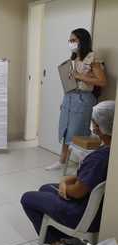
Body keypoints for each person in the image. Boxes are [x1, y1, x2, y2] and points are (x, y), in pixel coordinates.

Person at [21, 100, 115, 245]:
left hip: (80, 215)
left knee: (27, 198)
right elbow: (85, 177)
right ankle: (60, 234)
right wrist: (65, 180)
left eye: (93, 122)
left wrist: (64, 186)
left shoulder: (99, 158)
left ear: (99, 127)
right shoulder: (111, 151)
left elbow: (78, 192)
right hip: (98, 213)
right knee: (45, 187)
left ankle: (54, 241)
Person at [46, 28, 107, 170]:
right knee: (66, 129)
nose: (70, 43)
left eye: (73, 40)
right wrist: (64, 100)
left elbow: (102, 81)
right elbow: (71, 82)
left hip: (84, 99)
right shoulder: (74, 59)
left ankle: (82, 166)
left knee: (78, 131)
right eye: (70, 40)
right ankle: (62, 161)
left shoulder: (92, 58)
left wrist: (80, 76)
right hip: (70, 97)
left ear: (82, 41)